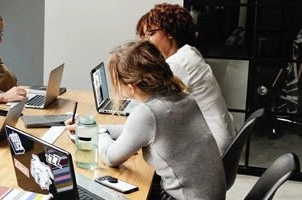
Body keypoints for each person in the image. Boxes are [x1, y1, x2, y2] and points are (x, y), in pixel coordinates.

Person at [100, 41, 225, 199]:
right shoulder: (184, 98)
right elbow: (132, 132)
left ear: (130, 87)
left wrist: (99, 134)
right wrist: (94, 128)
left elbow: (111, 157)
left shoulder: (147, 114)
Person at [137, 3, 236, 156]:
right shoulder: (189, 53)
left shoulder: (178, 63)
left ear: (170, 32)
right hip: (219, 139)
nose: (145, 41)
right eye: (143, 36)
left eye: (150, 33)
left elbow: (150, 107)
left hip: (213, 149)